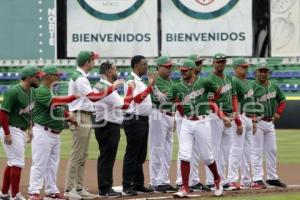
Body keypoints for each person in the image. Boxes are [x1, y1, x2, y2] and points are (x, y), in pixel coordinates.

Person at [157, 59, 228, 198]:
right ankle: (185, 187)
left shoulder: (204, 82)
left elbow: (218, 91)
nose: (182, 73)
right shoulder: (177, 86)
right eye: (181, 71)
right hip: (186, 122)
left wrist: (212, 99)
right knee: (184, 154)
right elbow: (167, 99)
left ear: (192, 70)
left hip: (202, 121)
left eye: (185, 70)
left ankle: (217, 180)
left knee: (207, 157)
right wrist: (154, 88)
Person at [64, 51, 123, 199]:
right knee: (77, 154)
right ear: (87, 62)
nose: (94, 63)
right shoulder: (80, 79)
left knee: (82, 155)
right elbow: (95, 98)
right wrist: (113, 87)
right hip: (80, 115)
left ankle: (78, 188)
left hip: (85, 116)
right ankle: (70, 189)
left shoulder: (82, 77)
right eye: (92, 60)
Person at [28, 65, 79, 200]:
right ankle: (33, 192)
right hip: (43, 132)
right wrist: (72, 97)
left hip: (54, 134)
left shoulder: (51, 90)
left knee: (52, 164)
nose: (59, 77)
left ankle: (51, 191)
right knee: (40, 163)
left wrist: (68, 116)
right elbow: (54, 103)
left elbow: (59, 109)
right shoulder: (41, 90)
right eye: (57, 75)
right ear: (49, 76)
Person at [0, 65, 45, 200]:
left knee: (12, 162)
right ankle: (15, 195)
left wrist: (31, 128)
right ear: (29, 77)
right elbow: (2, 114)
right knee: (18, 162)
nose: (40, 79)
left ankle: (3, 193)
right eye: (38, 77)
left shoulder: (31, 92)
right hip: (11, 129)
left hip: (22, 130)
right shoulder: (13, 92)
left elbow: (30, 113)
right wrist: (7, 133)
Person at [93, 61, 134, 198]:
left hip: (103, 125)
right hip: (108, 126)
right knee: (107, 158)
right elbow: (125, 105)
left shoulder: (99, 84)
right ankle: (105, 188)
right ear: (109, 72)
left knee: (105, 157)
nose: (117, 72)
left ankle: (105, 187)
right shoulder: (107, 86)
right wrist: (131, 90)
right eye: (115, 69)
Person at [205, 53, 242, 190]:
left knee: (226, 151)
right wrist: (222, 116)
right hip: (215, 117)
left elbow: (233, 97)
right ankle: (211, 181)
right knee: (214, 149)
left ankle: (222, 179)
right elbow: (210, 101)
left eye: (223, 61)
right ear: (213, 62)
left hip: (228, 117)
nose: (221, 64)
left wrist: (235, 113)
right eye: (218, 61)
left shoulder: (229, 78)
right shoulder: (209, 79)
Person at [175, 54, 210, 192]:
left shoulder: (200, 81)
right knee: (184, 150)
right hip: (183, 117)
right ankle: (180, 181)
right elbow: (178, 102)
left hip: (195, 118)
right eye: (198, 63)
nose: (200, 65)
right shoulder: (184, 80)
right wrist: (186, 116)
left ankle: (194, 180)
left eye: (200, 63)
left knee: (195, 150)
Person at [122, 55, 155, 196]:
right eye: (144, 64)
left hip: (142, 120)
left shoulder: (140, 81)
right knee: (132, 154)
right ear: (136, 65)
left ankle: (138, 183)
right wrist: (150, 87)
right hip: (134, 120)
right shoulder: (131, 81)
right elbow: (136, 99)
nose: (146, 66)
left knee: (141, 155)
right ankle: (127, 185)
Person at [251, 63, 287, 188]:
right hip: (257, 122)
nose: (263, 73)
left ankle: (272, 177)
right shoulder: (252, 86)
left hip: (269, 122)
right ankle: (257, 178)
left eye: (265, 71)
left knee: (272, 151)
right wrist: (251, 117)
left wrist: (278, 112)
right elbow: (245, 102)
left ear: (268, 73)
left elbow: (282, 100)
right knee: (257, 151)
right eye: (260, 71)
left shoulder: (274, 86)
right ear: (256, 72)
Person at [227, 58, 257, 190]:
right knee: (236, 149)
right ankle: (232, 179)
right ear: (236, 68)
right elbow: (234, 102)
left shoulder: (248, 82)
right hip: (241, 116)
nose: (246, 68)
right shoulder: (234, 81)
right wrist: (237, 121)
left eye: (246, 67)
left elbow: (252, 101)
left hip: (249, 118)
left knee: (247, 151)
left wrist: (254, 119)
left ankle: (246, 179)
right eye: (243, 67)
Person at [148, 56, 177, 193]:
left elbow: (174, 102)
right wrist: (153, 86)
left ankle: (164, 181)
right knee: (157, 149)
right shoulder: (156, 80)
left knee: (167, 151)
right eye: (166, 66)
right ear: (158, 67)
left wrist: (175, 118)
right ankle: (154, 181)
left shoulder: (170, 81)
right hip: (158, 115)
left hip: (170, 116)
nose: (169, 69)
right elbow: (162, 98)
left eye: (170, 66)